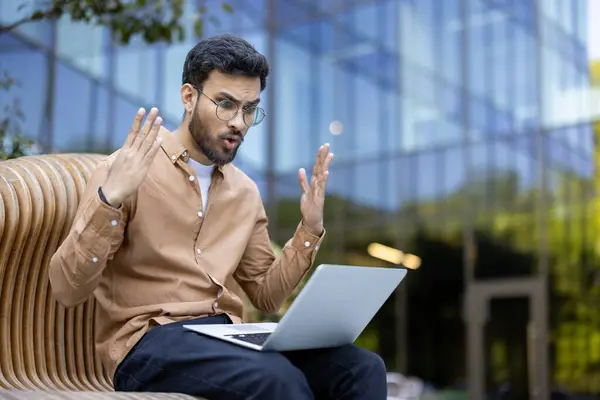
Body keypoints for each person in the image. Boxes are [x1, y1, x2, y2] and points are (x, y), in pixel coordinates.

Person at [49, 33, 387, 399]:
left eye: (249, 109)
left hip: (226, 337)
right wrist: (111, 199)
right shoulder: (128, 168)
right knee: (275, 379)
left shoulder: (243, 192)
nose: (239, 122)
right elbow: (68, 289)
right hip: (149, 344)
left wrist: (310, 228)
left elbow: (265, 295)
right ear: (189, 97)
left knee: (362, 368)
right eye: (225, 104)